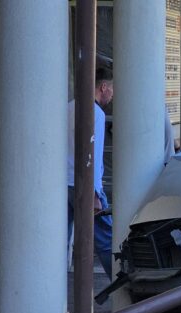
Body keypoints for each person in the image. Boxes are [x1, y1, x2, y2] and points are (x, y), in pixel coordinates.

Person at [67, 67, 114, 280]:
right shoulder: (97, 113)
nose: (112, 94)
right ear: (103, 87)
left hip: (64, 183)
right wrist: (95, 192)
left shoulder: (68, 108)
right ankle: (120, 282)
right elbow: (92, 155)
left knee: (61, 239)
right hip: (86, 185)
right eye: (111, 89)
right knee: (106, 239)